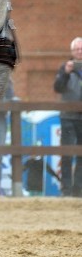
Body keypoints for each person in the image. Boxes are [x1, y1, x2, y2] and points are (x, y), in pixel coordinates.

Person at [53, 36, 82, 197]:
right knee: (67, 154)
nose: (79, 52)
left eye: (81, 49)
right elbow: (57, 88)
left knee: (81, 157)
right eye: (76, 49)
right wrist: (65, 73)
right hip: (68, 117)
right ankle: (66, 190)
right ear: (71, 52)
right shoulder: (65, 67)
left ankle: (78, 190)